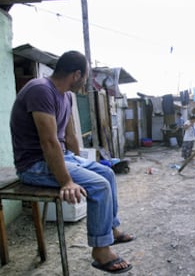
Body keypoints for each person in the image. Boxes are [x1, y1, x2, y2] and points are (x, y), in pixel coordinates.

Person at [9, 51, 134, 274]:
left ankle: (110, 230)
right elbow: (48, 142)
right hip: (34, 165)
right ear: (76, 75)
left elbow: (69, 136)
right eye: (85, 77)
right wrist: (67, 181)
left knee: (106, 174)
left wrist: (79, 163)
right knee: (99, 185)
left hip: (60, 157)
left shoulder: (66, 95)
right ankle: (100, 251)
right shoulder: (40, 90)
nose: (86, 82)